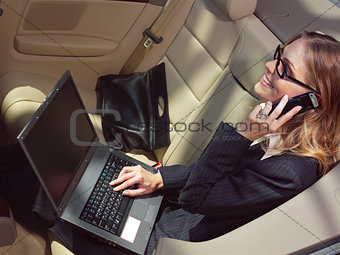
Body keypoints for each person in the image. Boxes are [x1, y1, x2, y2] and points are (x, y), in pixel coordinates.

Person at [1, 31, 340, 255]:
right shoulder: (286, 134)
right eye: (278, 55)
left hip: (160, 243)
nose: (270, 66)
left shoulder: (291, 170)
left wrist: (242, 134)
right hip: (165, 212)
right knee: (49, 158)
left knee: (47, 190)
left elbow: (198, 197)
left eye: (283, 68)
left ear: (313, 100)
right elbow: (209, 180)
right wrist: (158, 178)